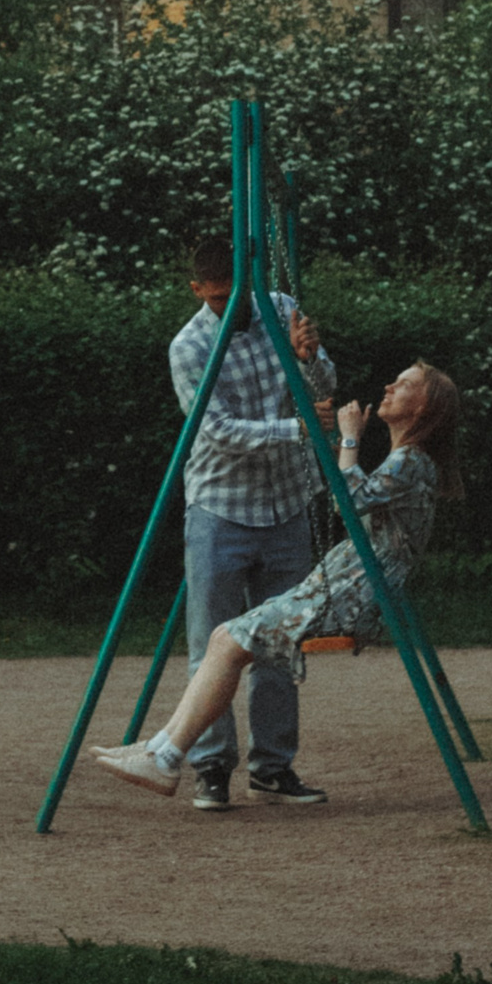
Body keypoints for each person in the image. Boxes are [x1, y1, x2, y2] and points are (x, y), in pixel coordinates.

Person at [95, 362, 461, 802]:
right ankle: (161, 750)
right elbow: (354, 492)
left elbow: (348, 503)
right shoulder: (409, 460)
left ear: (423, 407)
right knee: (222, 636)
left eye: (402, 385)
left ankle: (167, 756)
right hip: (345, 586)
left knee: (228, 639)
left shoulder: (411, 461)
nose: (388, 386)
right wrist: (337, 437)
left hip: (354, 595)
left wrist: (348, 438)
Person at [165, 233, 336, 811]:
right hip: (221, 506)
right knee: (209, 641)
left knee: (281, 643)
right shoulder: (188, 348)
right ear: (197, 292)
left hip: (286, 501)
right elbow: (218, 432)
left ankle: (273, 767)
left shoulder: (281, 309)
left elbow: (323, 388)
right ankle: (211, 766)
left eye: (235, 298)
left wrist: (308, 359)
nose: (229, 310)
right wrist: (300, 430)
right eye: (215, 300)